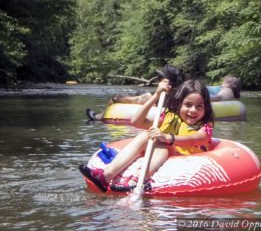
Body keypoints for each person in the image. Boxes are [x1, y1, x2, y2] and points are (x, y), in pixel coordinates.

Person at [79, 78, 214, 192]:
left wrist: (168, 138)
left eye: (199, 106)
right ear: (179, 104)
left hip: (187, 162)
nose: (193, 110)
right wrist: (156, 95)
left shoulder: (205, 126)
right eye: (188, 105)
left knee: (162, 143)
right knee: (147, 133)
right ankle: (105, 176)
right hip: (164, 157)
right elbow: (136, 121)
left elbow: (194, 139)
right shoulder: (169, 116)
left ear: (206, 108)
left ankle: (140, 179)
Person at [85, 64, 183, 121]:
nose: (158, 81)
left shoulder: (150, 97)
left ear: (165, 81)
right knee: (140, 91)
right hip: (149, 97)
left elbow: (135, 100)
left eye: (159, 78)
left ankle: (99, 116)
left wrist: (115, 98)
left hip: (147, 100)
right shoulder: (181, 95)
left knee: (137, 95)